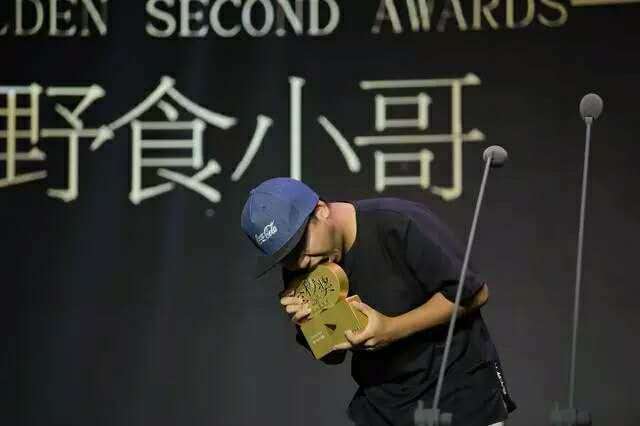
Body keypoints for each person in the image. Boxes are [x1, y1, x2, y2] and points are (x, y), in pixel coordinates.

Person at [240, 177, 516, 426]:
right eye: (286, 256)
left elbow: (475, 293)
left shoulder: (397, 222)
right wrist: (312, 326)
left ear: (321, 210)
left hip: (459, 392)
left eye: (300, 245)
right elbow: (334, 355)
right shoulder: (301, 267)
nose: (301, 262)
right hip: (384, 404)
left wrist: (392, 329)